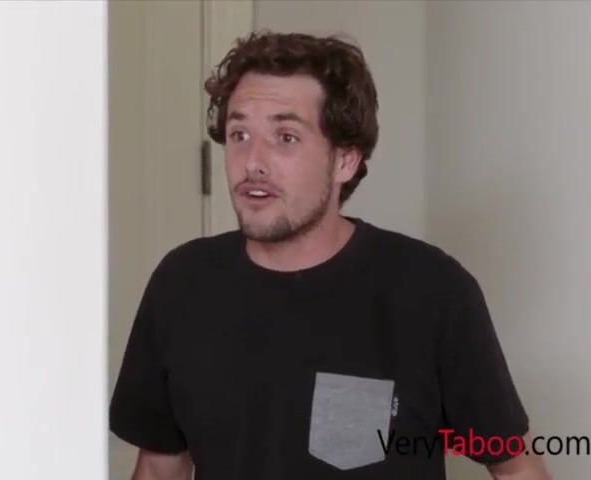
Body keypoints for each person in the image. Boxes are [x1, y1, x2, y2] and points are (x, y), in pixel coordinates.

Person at [109, 31, 550, 480]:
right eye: (239, 134)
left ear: (345, 161)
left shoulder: (431, 291)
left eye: (285, 137)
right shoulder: (182, 284)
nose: (252, 161)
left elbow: (515, 468)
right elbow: (160, 466)